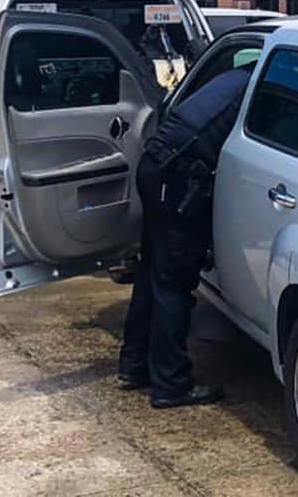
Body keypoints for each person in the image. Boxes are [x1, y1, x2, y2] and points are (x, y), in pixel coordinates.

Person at [117, 64, 252, 408]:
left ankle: (134, 365)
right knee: (173, 284)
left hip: (156, 168)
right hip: (175, 179)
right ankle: (171, 385)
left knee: (152, 274)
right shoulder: (258, 89)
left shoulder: (233, 78)